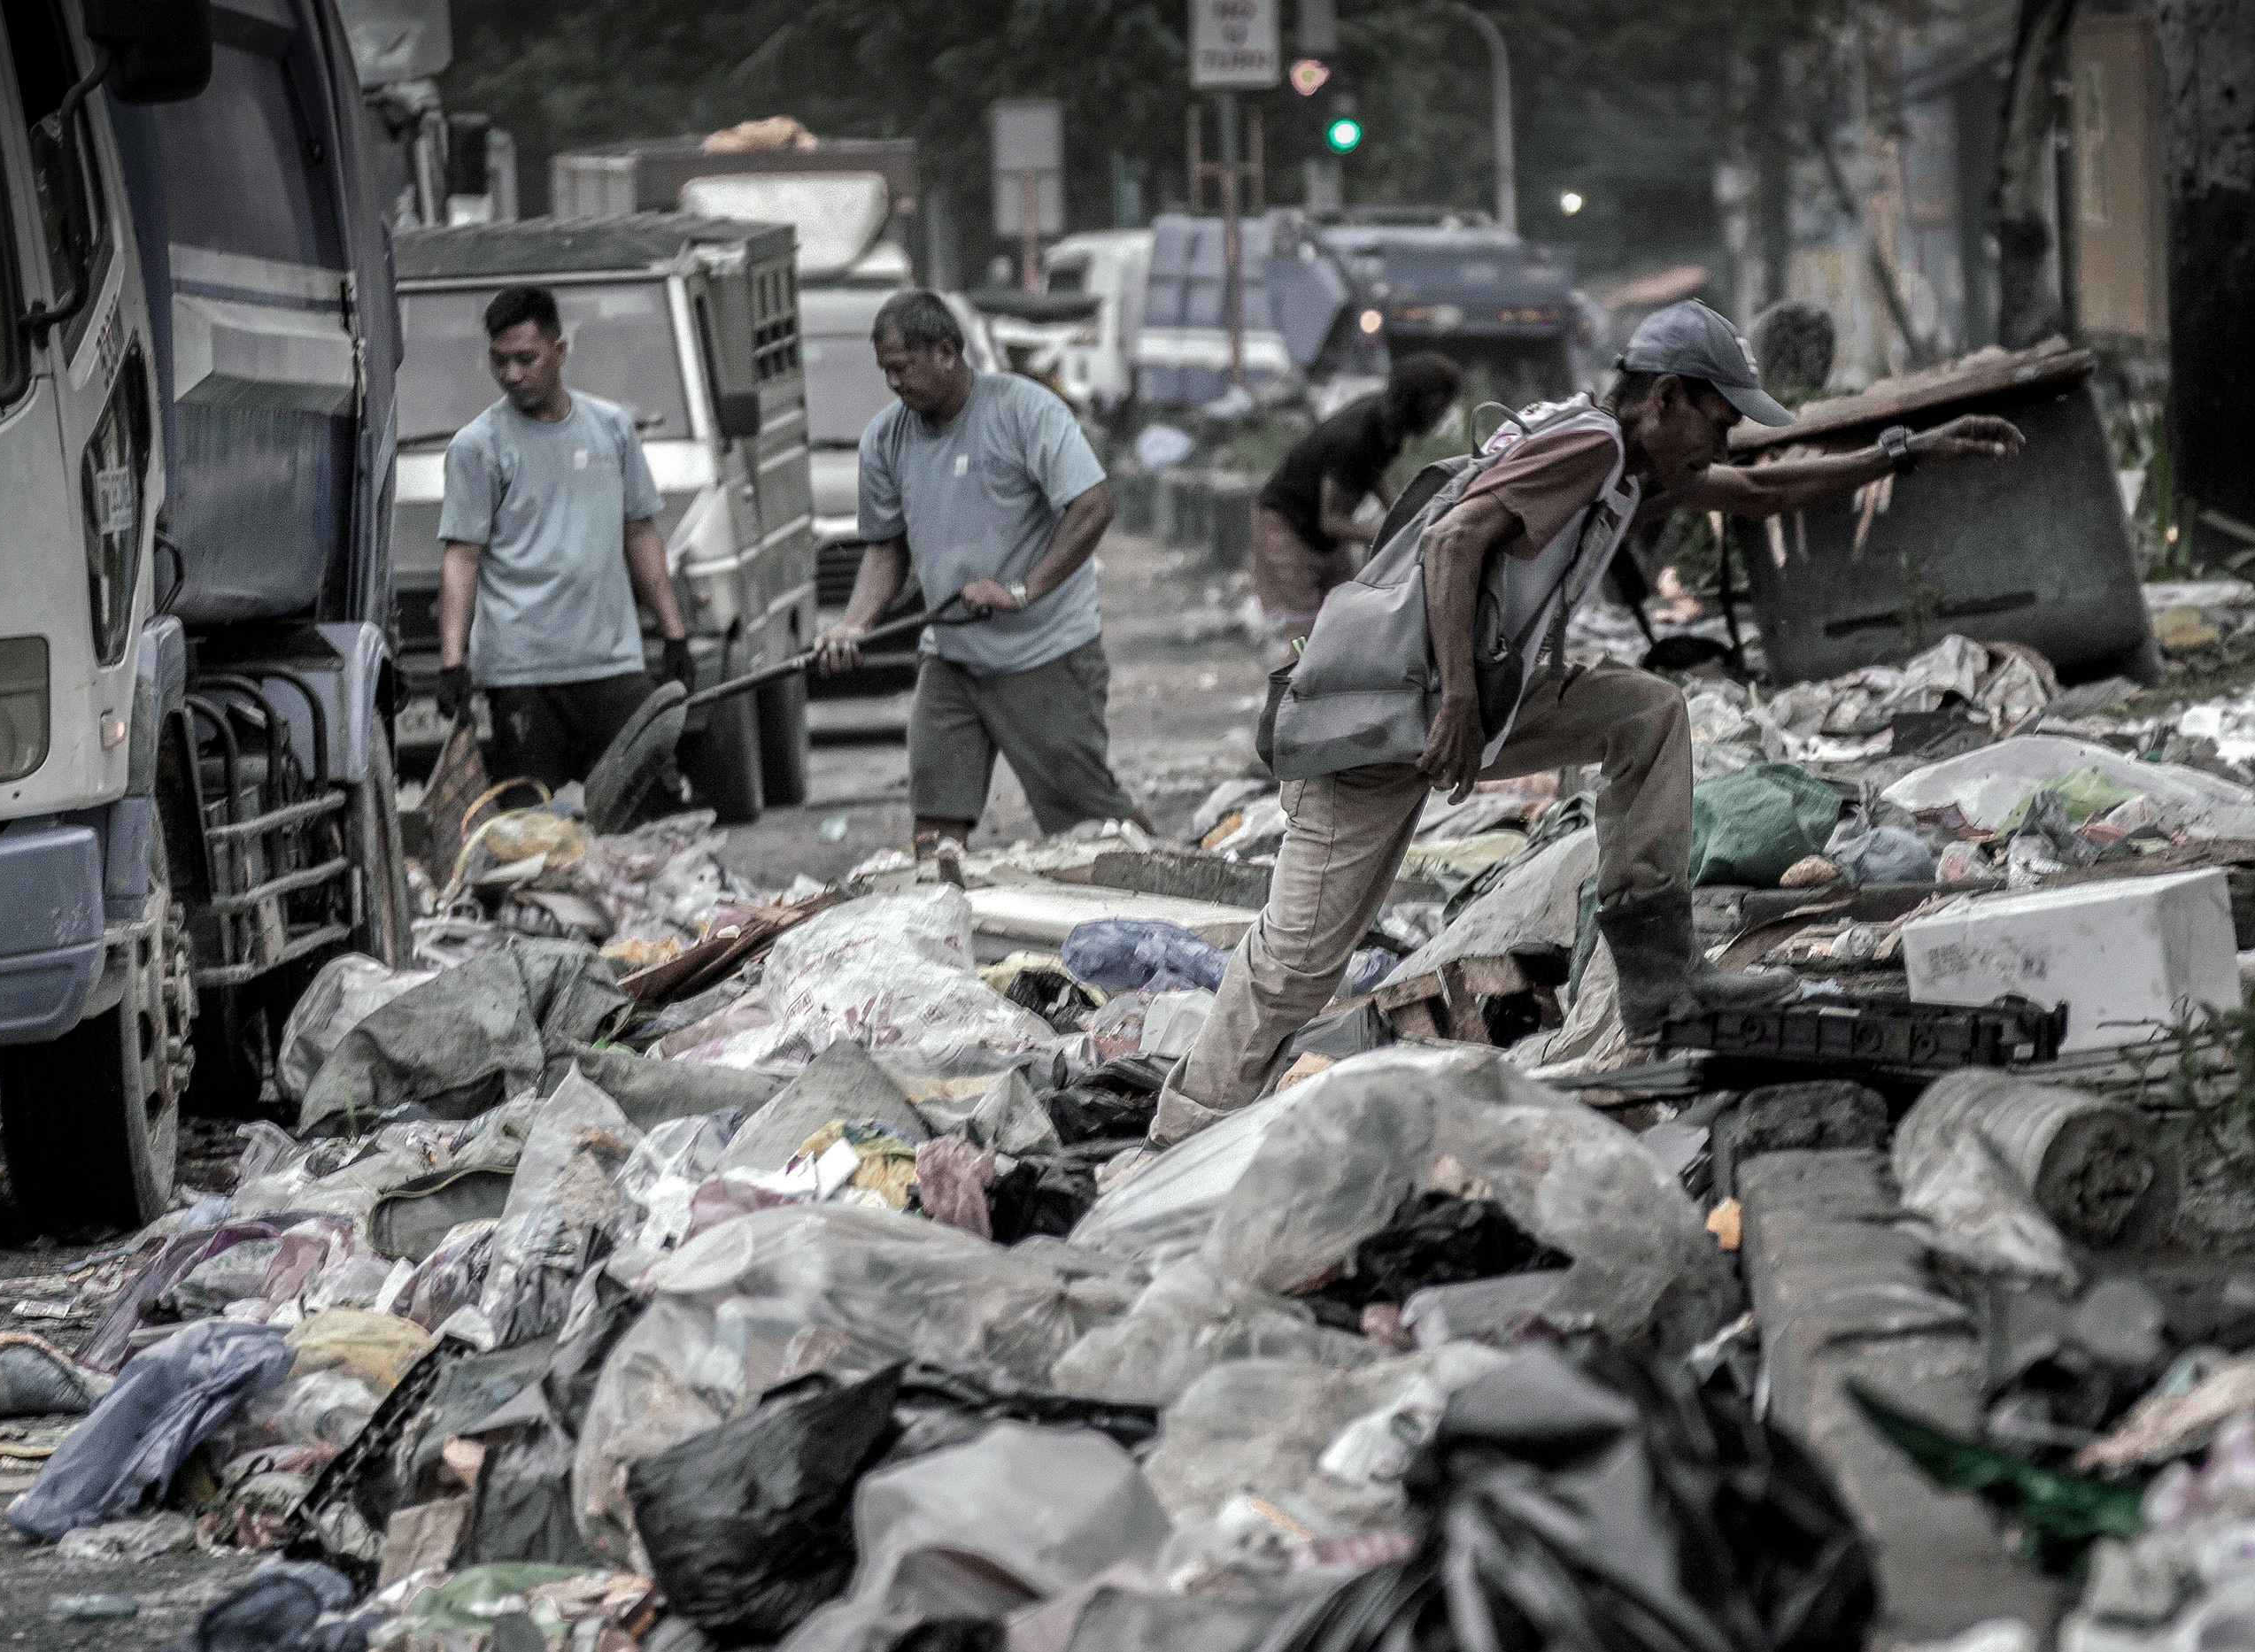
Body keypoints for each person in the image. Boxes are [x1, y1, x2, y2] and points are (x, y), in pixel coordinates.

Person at [1152, 300, 2022, 1145]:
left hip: (1467, 700)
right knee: (1302, 958)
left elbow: (1759, 490)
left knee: (1646, 714)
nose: (1720, 444)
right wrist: (1458, 700)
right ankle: (1182, 1131)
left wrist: (1903, 454)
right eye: (1717, 422)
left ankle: (1662, 980)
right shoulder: (1591, 442)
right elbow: (1454, 542)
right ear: (1666, 398)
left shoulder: (1624, 463)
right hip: (1385, 715)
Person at [812, 290, 1147, 853]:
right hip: (951, 656)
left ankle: (1177, 891)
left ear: (947, 352)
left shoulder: (1025, 410)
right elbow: (885, 549)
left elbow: (1092, 506)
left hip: (1045, 652)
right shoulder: (885, 440)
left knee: (1091, 826)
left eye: (903, 368)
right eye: (885, 372)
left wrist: (1022, 590)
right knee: (936, 832)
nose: (893, 383)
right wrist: (854, 623)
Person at [435, 285, 697, 799]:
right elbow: (462, 556)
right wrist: (452, 661)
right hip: (522, 674)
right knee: (532, 829)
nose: (512, 374)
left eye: (526, 359)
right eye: (500, 361)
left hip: (612, 664)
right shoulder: (477, 447)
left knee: (643, 807)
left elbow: (640, 532)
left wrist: (674, 633)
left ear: (560, 350)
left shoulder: (611, 430)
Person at [1252, 352, 1464, 638]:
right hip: (1288, 525)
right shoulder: (1355, 436)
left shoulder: (1387, 427)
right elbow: (1332, 520)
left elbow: (1370, 472)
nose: (1438, 419)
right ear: (1417, 401)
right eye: (1438, 409)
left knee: (1346, 621)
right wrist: (1395, 533)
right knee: (1303, 638)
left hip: (1322, 536)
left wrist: (1406, 513)